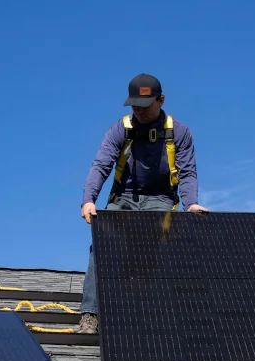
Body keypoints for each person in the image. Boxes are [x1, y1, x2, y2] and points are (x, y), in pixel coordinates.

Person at [76, 73, 208, 334]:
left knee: (155, 243)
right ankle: (90, 314)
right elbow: (101, 165)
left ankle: (151, 313)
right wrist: (88, 200)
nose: (139, 110)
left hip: (160, 198)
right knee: (101, 243)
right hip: (124, 196)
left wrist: (191, 204)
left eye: (145, 105)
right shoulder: (120, 129)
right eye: (134, 105)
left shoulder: (179, 132)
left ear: (161, 100)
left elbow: (187, 173)